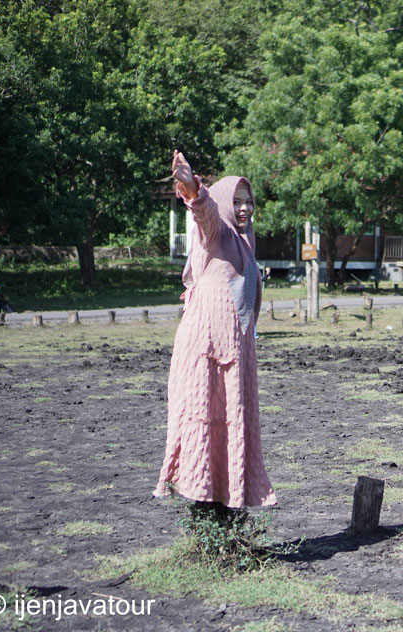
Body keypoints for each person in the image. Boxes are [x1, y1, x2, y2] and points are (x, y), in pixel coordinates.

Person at [154, 151, 276, 509]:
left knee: (232, 418)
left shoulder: (245, 243)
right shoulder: (218, 233)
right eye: (236, 202)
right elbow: (204, 213)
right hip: (207, 350)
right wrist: (192, 186)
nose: (244, 209)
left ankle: (226, 501)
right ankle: (203, 504)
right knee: (205, 419)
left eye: (249, 202)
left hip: (234, 351)